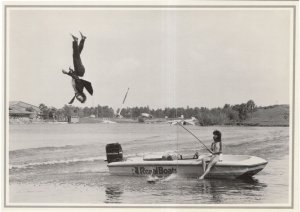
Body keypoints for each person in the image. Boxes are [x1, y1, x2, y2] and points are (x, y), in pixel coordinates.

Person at [62, 32, 93, 104]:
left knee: (76, 54)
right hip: (80, 71)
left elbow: (74, 77)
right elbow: (76, 78)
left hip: (78, 71)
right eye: (80, 98)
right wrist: (66, 73)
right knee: (75, 55)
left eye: (79, 100)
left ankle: (83, 39)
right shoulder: (79, 89)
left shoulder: (76, 91)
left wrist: (71, 71)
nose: (78, 98)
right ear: (82, 95)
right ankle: (76, 40)